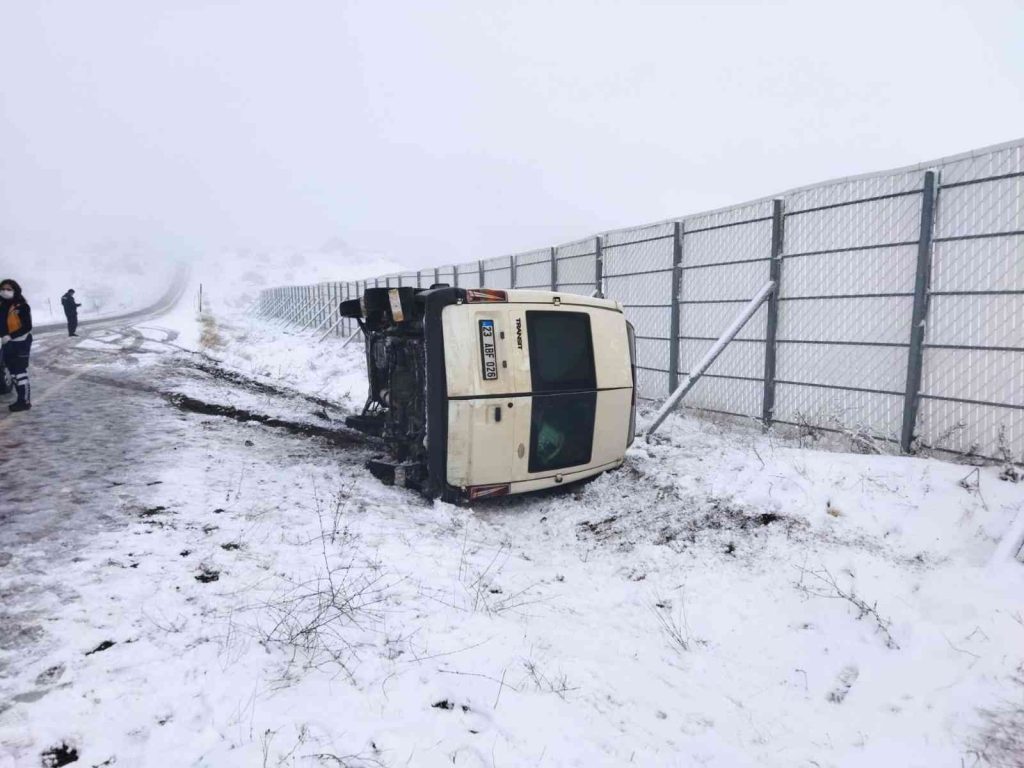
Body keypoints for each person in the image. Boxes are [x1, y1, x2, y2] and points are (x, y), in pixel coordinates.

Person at [1, 279, 33, 412]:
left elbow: (27, 326)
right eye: (3, 289)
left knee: (20, 372)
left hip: (21, 342)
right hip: (7, 343)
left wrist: (10, 336)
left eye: (9, 289)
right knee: (13, 372)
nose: (5, 291)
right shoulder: (2, 306)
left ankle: (24, 401)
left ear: (15, 290)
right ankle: (20, 399)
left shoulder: (22, 306)